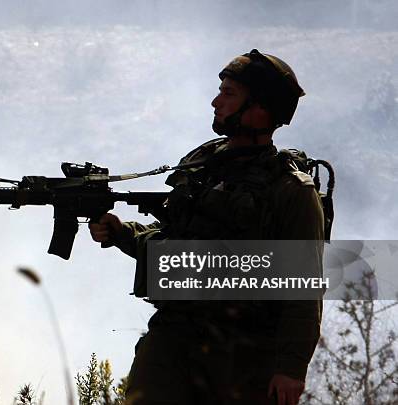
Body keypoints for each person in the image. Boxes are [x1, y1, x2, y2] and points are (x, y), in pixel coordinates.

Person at [89, 49, 324, 405]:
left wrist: (291, 369)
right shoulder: (204, 165)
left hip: (244, 354)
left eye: (229, 94)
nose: (216, 102)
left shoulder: (292, 191)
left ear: (261, 107)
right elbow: (176, 244)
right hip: (174, 337)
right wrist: (123, 233)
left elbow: (304, 289)